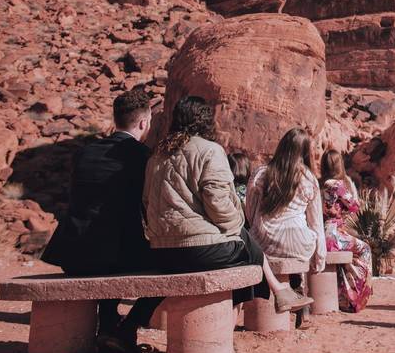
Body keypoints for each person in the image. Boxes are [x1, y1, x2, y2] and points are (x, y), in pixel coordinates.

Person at [144, 96, 312, 327]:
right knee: (247, 248)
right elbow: (219, 205)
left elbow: (146, 201)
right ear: (205, 120)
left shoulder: (157, 155)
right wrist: (236, 227)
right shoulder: (210, 151)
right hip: (200, 250)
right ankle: (234, 324)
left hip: (161, 249)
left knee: (246, 247)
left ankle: (128, 327)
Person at [41, 88, 159, 353]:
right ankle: (127, 328)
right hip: (111, 254)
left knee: (111, 242)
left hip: (71, 251)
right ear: (144, 123)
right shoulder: (142, 156)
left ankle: (108, 323)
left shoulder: (86, 151)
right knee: (176, 265)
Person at [244, 128, 327, 298]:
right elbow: (316, 222)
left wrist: (259, 231)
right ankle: (298, 288)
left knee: (254, 238)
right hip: (300, 244)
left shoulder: (261, 173)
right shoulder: (309, 178)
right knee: (299, 238)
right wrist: (320, 257)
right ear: (305, 152)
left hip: (266, 242)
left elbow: (250, 212)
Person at [319, 149, 373, 312]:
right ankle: (359, 291)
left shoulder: (319, 183)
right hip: (335, 233)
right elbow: (354, 206)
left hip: (321, 232)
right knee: (365, 249)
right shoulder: (337, 185)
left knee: (347, 259)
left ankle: (345, 295)